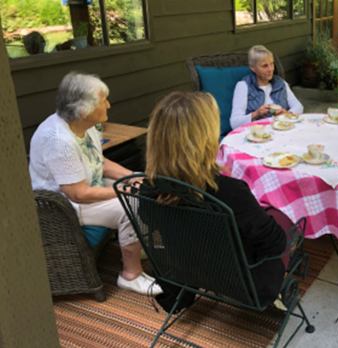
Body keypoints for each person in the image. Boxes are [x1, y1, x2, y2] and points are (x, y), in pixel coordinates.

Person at [147, 91, 293, 307]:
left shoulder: (146, 189)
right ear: (206, 138)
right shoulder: (229, 192)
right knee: (283, 218)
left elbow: (156, 238)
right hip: (245, 282)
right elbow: (276, 243)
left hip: (187, 269)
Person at [29, 72, 161, 295]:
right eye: (103, 102)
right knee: (135, 205)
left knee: (142, 188)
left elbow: (99, 161)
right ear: (84, 111)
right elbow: (78, 194)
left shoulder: (85, 125)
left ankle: (134, 246)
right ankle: (130, 276)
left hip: (88, 184)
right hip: (63, 208)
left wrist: (133, 176)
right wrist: (122, 190)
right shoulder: (58, 140)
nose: (109, 105)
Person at [230, 45, 304, 129]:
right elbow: (234, 122)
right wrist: (256, 114)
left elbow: (298, 106)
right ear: (252, 67)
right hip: (258, 133)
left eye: (272, 64)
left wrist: (287, 114)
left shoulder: (280, 83)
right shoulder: (243, 86)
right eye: (265, 66)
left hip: (282, 129)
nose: (271, 69)